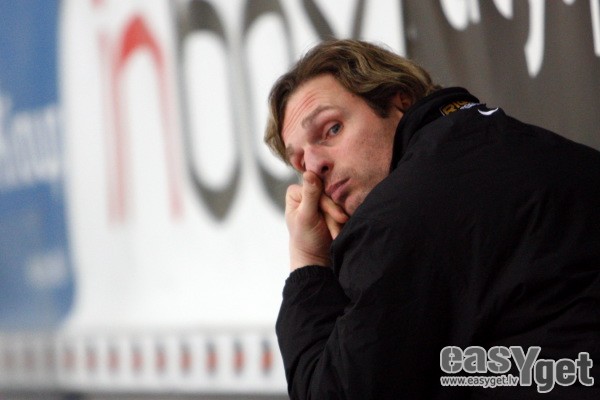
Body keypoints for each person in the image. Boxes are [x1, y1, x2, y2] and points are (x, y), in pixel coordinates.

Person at [264, 39, 600, 399]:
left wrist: (309, 262)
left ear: (400, 99)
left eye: (332, 129)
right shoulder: (520, 142)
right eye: (300, 162)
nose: (315, 168)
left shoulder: (396, 218)